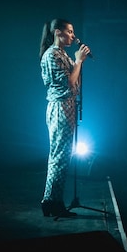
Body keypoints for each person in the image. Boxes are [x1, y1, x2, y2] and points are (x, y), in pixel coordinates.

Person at [39, 18, 91, 218]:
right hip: (60, 107)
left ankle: (52, 201)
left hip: (67, 107)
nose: (73, 35)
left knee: (61, 156)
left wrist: (78, 61)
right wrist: (78, 61)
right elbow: (69, 83)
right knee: (59, 157)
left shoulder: (62, 54)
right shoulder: (52, 55)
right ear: (58, 32)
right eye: (69, 31)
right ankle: (52, 202)